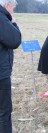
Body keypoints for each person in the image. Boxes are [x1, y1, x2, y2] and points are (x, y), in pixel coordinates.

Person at [0, 0, 21, 132]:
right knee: (4, 110)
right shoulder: (2, 18)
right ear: (7, 5)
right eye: (13, 7)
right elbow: (15, 40)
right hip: (1, 73)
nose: (13, 10)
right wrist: (14, 23)